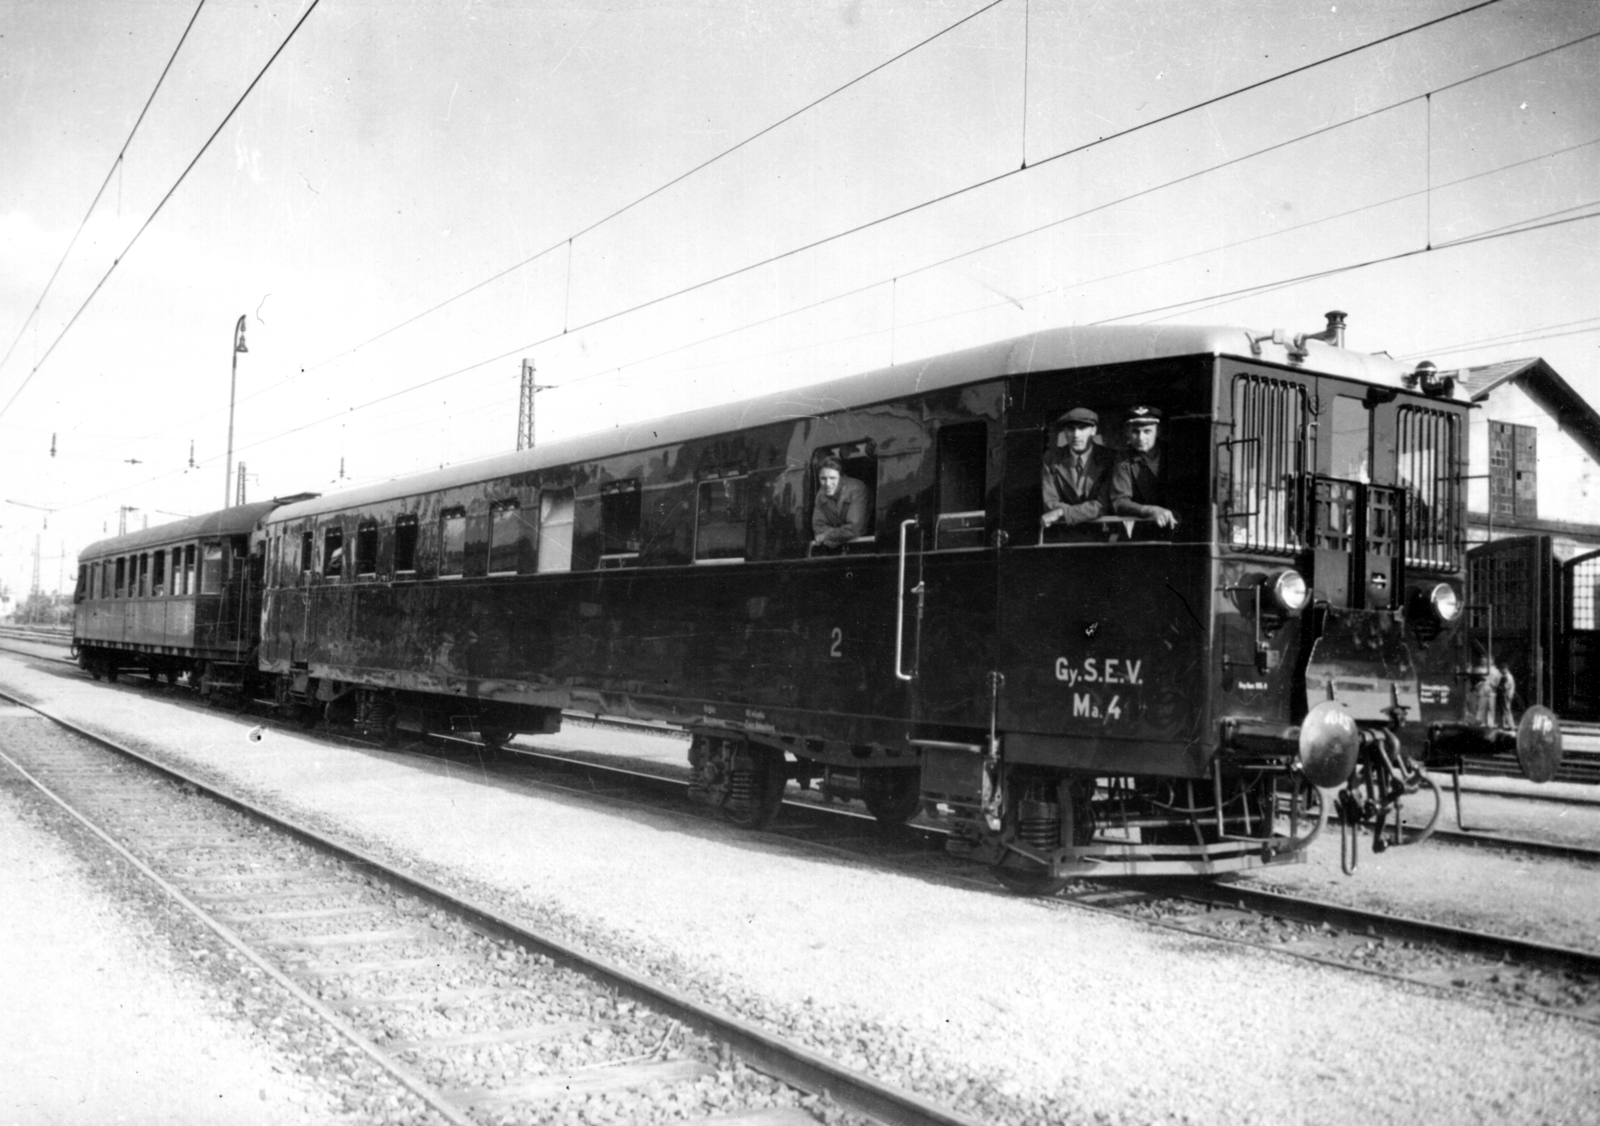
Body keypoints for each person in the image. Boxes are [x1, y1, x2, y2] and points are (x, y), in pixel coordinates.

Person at [1041, 407, 1114, 536]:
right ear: (1064, 431)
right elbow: (1050, 503)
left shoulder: (1110, 459)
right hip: (1064, 536)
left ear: (1094, 430)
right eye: (1071, 429)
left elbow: (1104, 504)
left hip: (1104, 535)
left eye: (1082, 428)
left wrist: (1062, 512)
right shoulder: (1051, 459)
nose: (1076, 435)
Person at [1110, 405, 1178, 531]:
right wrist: (1150, 510)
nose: (1141, 438)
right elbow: (1119, 502)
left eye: (1147, 431)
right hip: (1142, 528)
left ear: (1158, 432)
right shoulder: (1123, 459)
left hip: (1177, 526)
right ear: (1127, 433)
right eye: (1135, 431)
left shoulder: (1175, 454)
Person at [812, 457, 868, 553]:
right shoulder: (821, 494)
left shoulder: (857, 489)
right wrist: (839, 536)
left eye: (832, 478)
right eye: (823, 479)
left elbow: (854, 529)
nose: (828, 484)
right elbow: (818, 527)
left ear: (842, 478)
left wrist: (826, 536)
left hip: (863, 549)